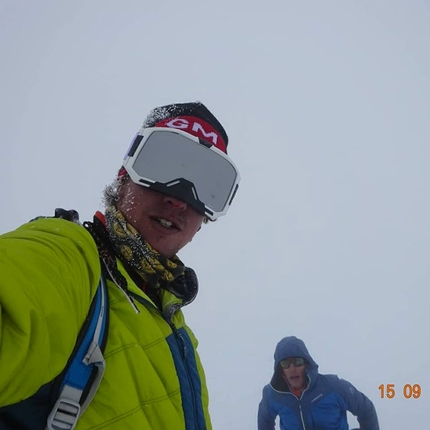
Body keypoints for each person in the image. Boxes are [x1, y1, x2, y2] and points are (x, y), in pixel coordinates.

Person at [0, 102, 240, 429]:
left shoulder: (183, 339)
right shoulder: (70, 256)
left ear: (203, 222)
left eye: (206, 187)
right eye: (163, 165)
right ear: (124, 179)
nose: (179, 198)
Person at [258, 336, 379, 430]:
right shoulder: (272, 395)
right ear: (281, 370)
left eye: (298, 361)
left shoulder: (333, 387)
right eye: (285, 363)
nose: (292, 368)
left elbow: (365, 409)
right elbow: (265, 421)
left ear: (306, 364)